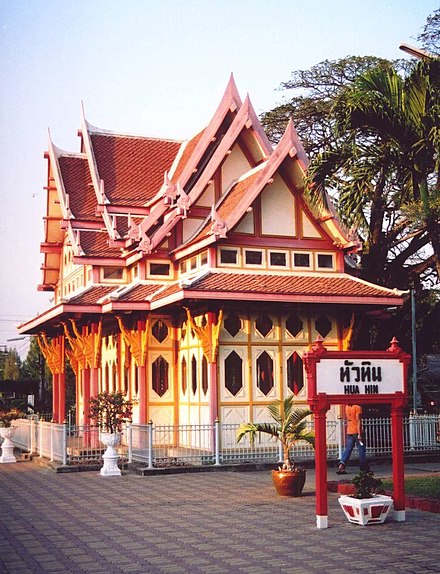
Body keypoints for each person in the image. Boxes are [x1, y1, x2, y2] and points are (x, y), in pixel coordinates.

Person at [337, 404, 370, 474]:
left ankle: (342, 464)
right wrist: (360, 434)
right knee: (361, 449)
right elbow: (358, 421)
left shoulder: (347, 407)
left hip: (350, 430)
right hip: (357, 431)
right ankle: (363, 466)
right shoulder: (358, 407)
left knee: (348, 448)